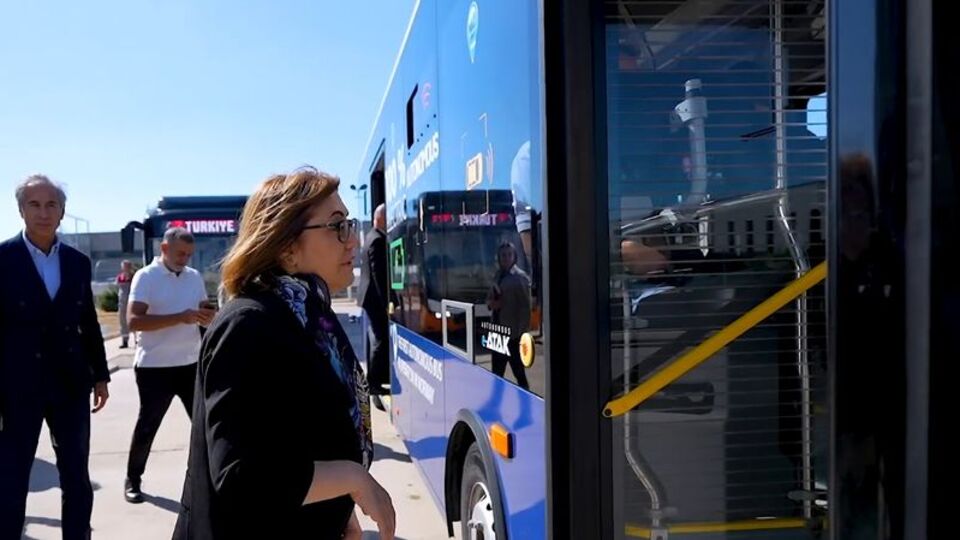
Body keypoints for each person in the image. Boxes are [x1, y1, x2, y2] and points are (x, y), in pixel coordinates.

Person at [173, 166, 395, 540]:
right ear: (286, 248)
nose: (352, 240)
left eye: (350, 224)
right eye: (337, 226)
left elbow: (301, 438)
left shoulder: (311, 316)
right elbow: (243, 478)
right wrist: (353, 478)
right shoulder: (247, 325)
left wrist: (336, 508)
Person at [0, 174, 110, 540]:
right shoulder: (4, 259)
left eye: (52, 205)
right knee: (11, 479)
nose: (43, 213)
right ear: (21, 210)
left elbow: (88, 321)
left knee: (76, 477)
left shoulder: (77, 262)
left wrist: (100, 374)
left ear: (62, 212)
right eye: (34, 204)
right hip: (16, 387)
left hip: (69, 384)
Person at [123, 227, 214, 504]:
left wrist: (209, 316)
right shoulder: (146, 277)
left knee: (205, 425)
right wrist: (179, 318)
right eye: (180, 253)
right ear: (164, 249)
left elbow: (203, 311)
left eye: (189, 255)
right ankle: (133, 479)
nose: (184, 259)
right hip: (154, 367)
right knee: (148, 426)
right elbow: (133, 321)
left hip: (190, 364)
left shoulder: (194, 277)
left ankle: (213, 481)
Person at [486, 241, 531, 390]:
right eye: (503, 255)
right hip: (497, 332)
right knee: (496, 374)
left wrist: (520, 334)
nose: (506, 258)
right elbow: (489, 298)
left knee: (519, 373)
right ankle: (496, 400)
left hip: (513, 335)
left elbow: (525, 308)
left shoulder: (520, 278)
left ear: (514, 257)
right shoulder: (497, 275)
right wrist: (491, 304)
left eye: (509, 255)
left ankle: (526, 400)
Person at [358, 203, 390, 407]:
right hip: (373, 298)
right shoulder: (377, 240)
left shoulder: (371, 236)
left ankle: (375, 381)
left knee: (376, 338)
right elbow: (379, 275)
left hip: (368, 297)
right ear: (380, 219)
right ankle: (375, 384)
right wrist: (387, 303)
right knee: (380, 339)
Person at [116, 259, 135, 349]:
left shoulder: (134, 277)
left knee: (134, 319)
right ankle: (125, 340)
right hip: (122, 302)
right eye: (124, 266)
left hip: (132, 301)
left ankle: (137, 339)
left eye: (127, 266)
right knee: (123, 321)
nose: (125, 268)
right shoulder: (120, 277)